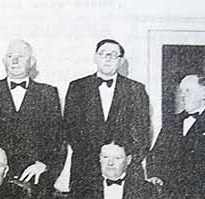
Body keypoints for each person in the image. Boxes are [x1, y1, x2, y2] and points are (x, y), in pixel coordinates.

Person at [64, 39, 150, 188]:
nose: (108, 58)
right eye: (103, 54)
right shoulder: (77, 87)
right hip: (85, 171)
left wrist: (125, 161)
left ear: (121, 61)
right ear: (95, 58)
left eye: (113, 54)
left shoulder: (136, 89)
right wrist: (98, 160)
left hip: (125, 172)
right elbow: (71, 130)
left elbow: (142, 134)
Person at [0, 39, 64, 186]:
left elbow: (58, 138)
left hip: (34, 177)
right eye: (10, 56)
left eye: (21, 56)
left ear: (32, 62)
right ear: (4, 61)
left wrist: (44, 164)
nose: (15, 61)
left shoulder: (48, 93)